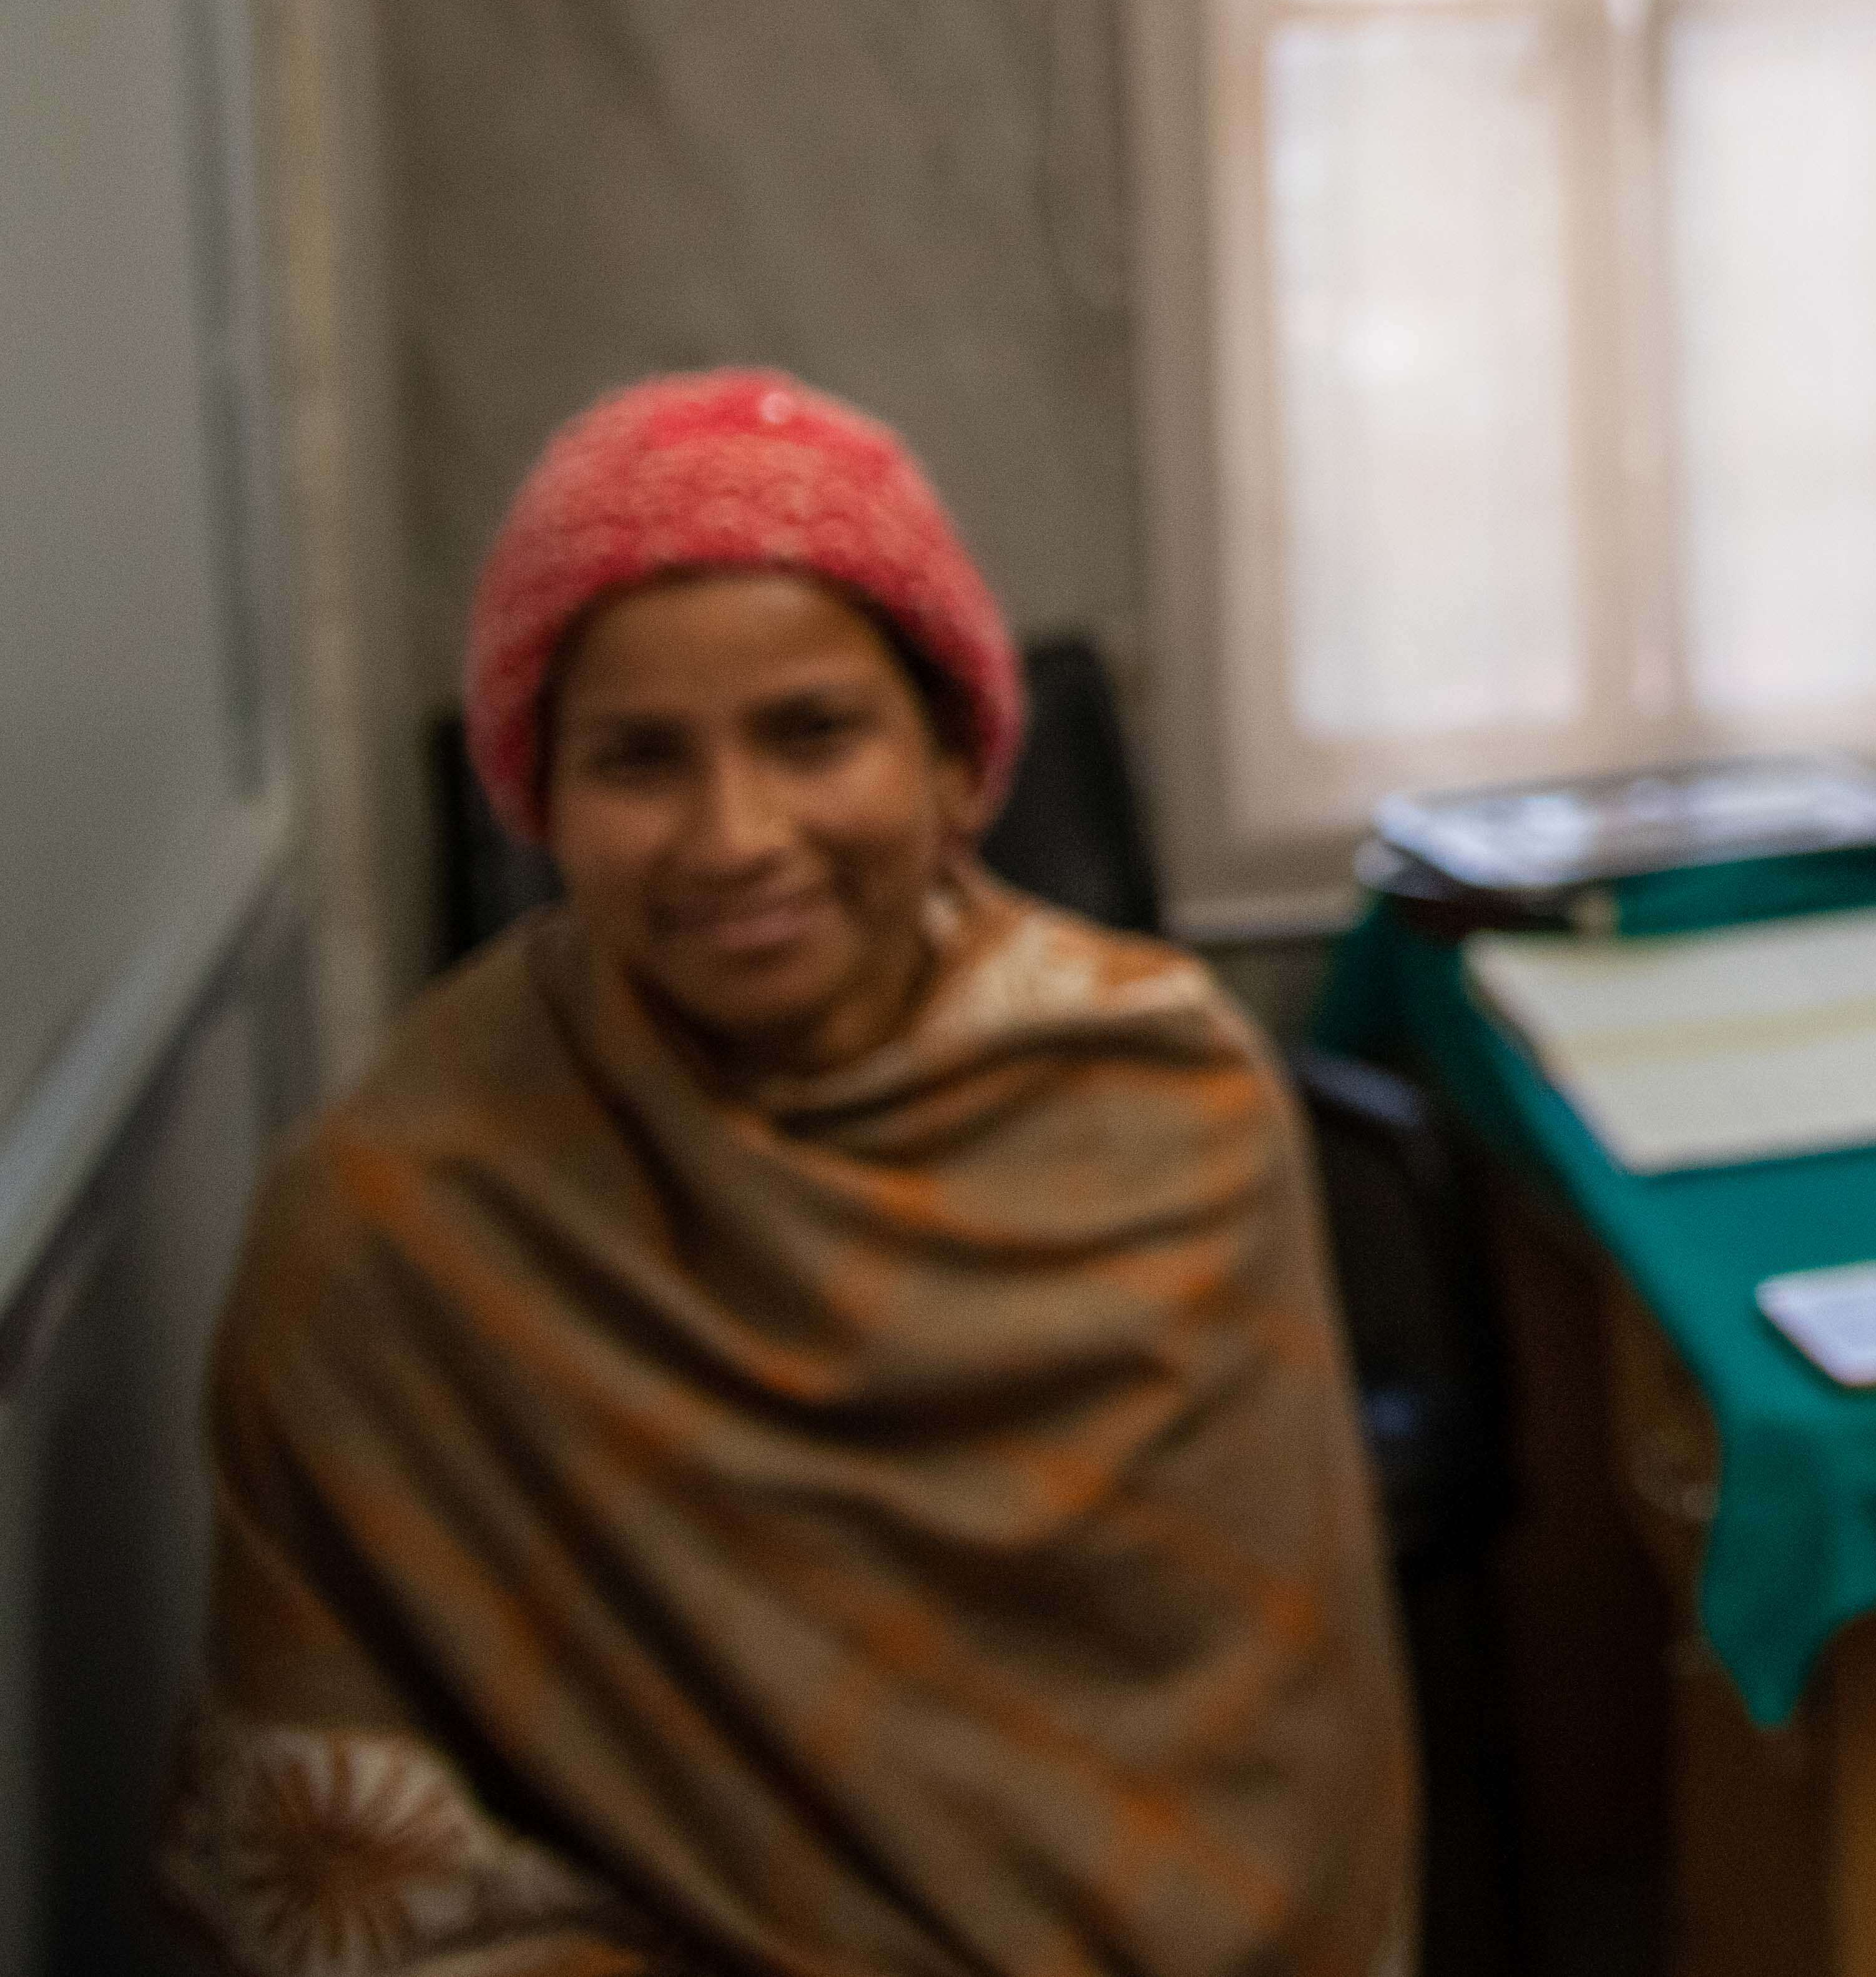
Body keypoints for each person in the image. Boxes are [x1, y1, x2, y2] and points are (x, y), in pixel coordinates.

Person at [162, 370, 1414, 1976]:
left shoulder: (1168, 1105)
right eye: (638, 760)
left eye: (813, 733)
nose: (735, 836)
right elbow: (348, 1843)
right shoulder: (390, 1225)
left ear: (956, 760)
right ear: (541, 795)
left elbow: (1273, 1766)